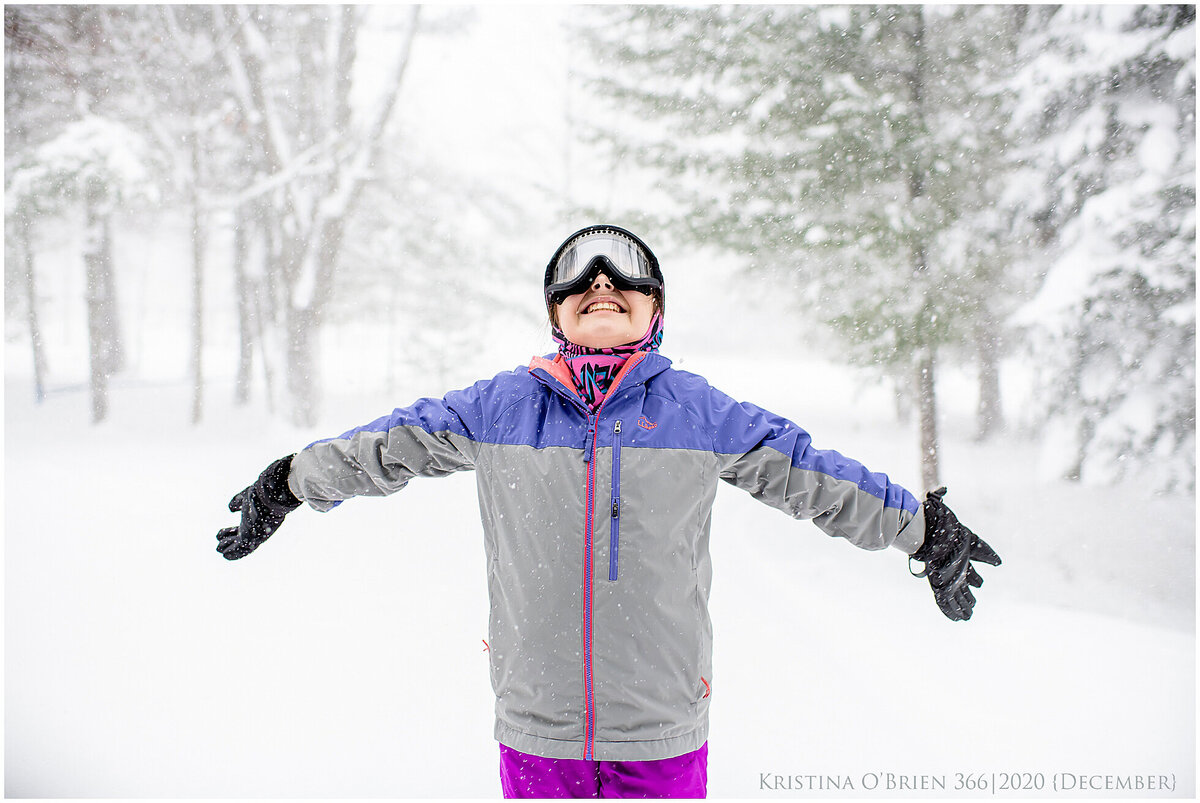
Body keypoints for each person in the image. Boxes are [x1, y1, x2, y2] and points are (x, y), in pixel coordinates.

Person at [216, 225, 1001, 799]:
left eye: (623, 279)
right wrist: (289, 479)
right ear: (554, 313)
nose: (601, 286)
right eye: (580, 281)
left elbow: (811, 474)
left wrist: (923, 529)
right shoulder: (499, 407)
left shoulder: (696, 412)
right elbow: (387, 445)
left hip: (660, 726)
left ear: (654, 311)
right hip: (537, 727)